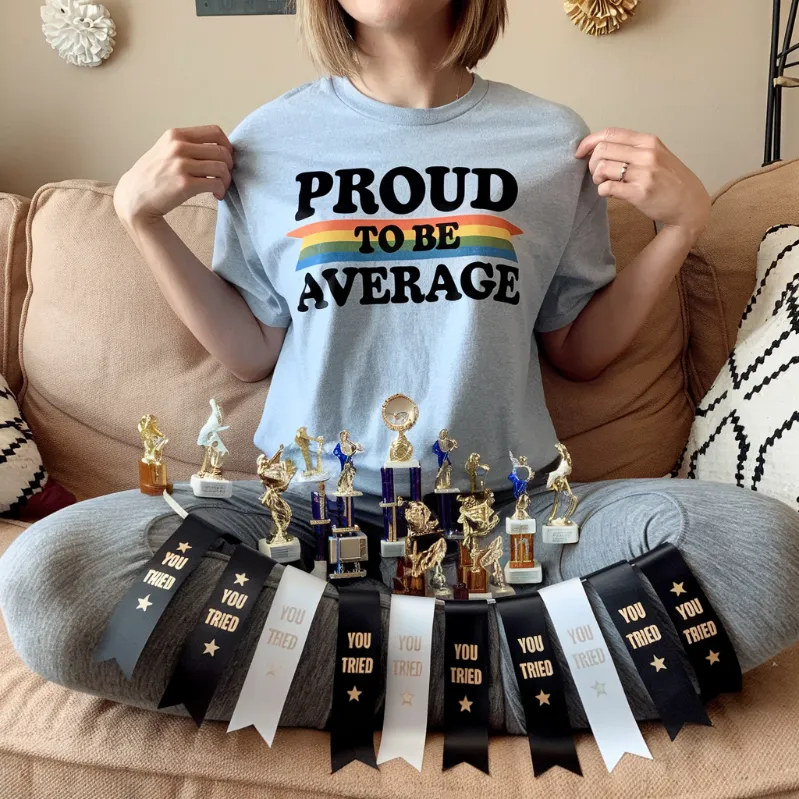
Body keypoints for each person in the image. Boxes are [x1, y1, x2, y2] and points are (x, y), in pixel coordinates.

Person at [2, 0, 799, 734]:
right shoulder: (269, 140)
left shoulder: (550, 140)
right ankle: (491, 668)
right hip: (305, 526)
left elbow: (577, 352)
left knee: (765, 550)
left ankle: (366, 663)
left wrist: (675, 230)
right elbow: (250, 350)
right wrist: (139, 221)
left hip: (515, 530)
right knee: (54, 581)